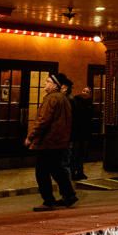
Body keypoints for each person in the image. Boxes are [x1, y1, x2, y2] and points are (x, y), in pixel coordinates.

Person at [27, 73, 78, 211]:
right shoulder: (64, 99)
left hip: (48, 142)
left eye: (48, 81)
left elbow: (43, 121)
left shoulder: (51, 99)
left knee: (42, 172)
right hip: (60, 141)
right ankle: (69, 195)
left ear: (55, 85)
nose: (45, 83)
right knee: (57, 169)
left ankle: (48, 200)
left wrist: (30, 137)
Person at [71, 87, 94, 180]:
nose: (85, 93)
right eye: (83, 91)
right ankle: (73, 172)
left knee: (81, 154)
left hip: (84, 133)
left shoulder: (89, 105)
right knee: (75, 153)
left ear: (90, 94)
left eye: (87, 92)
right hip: (77, 133)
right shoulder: (76, 102)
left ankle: (80, 172)